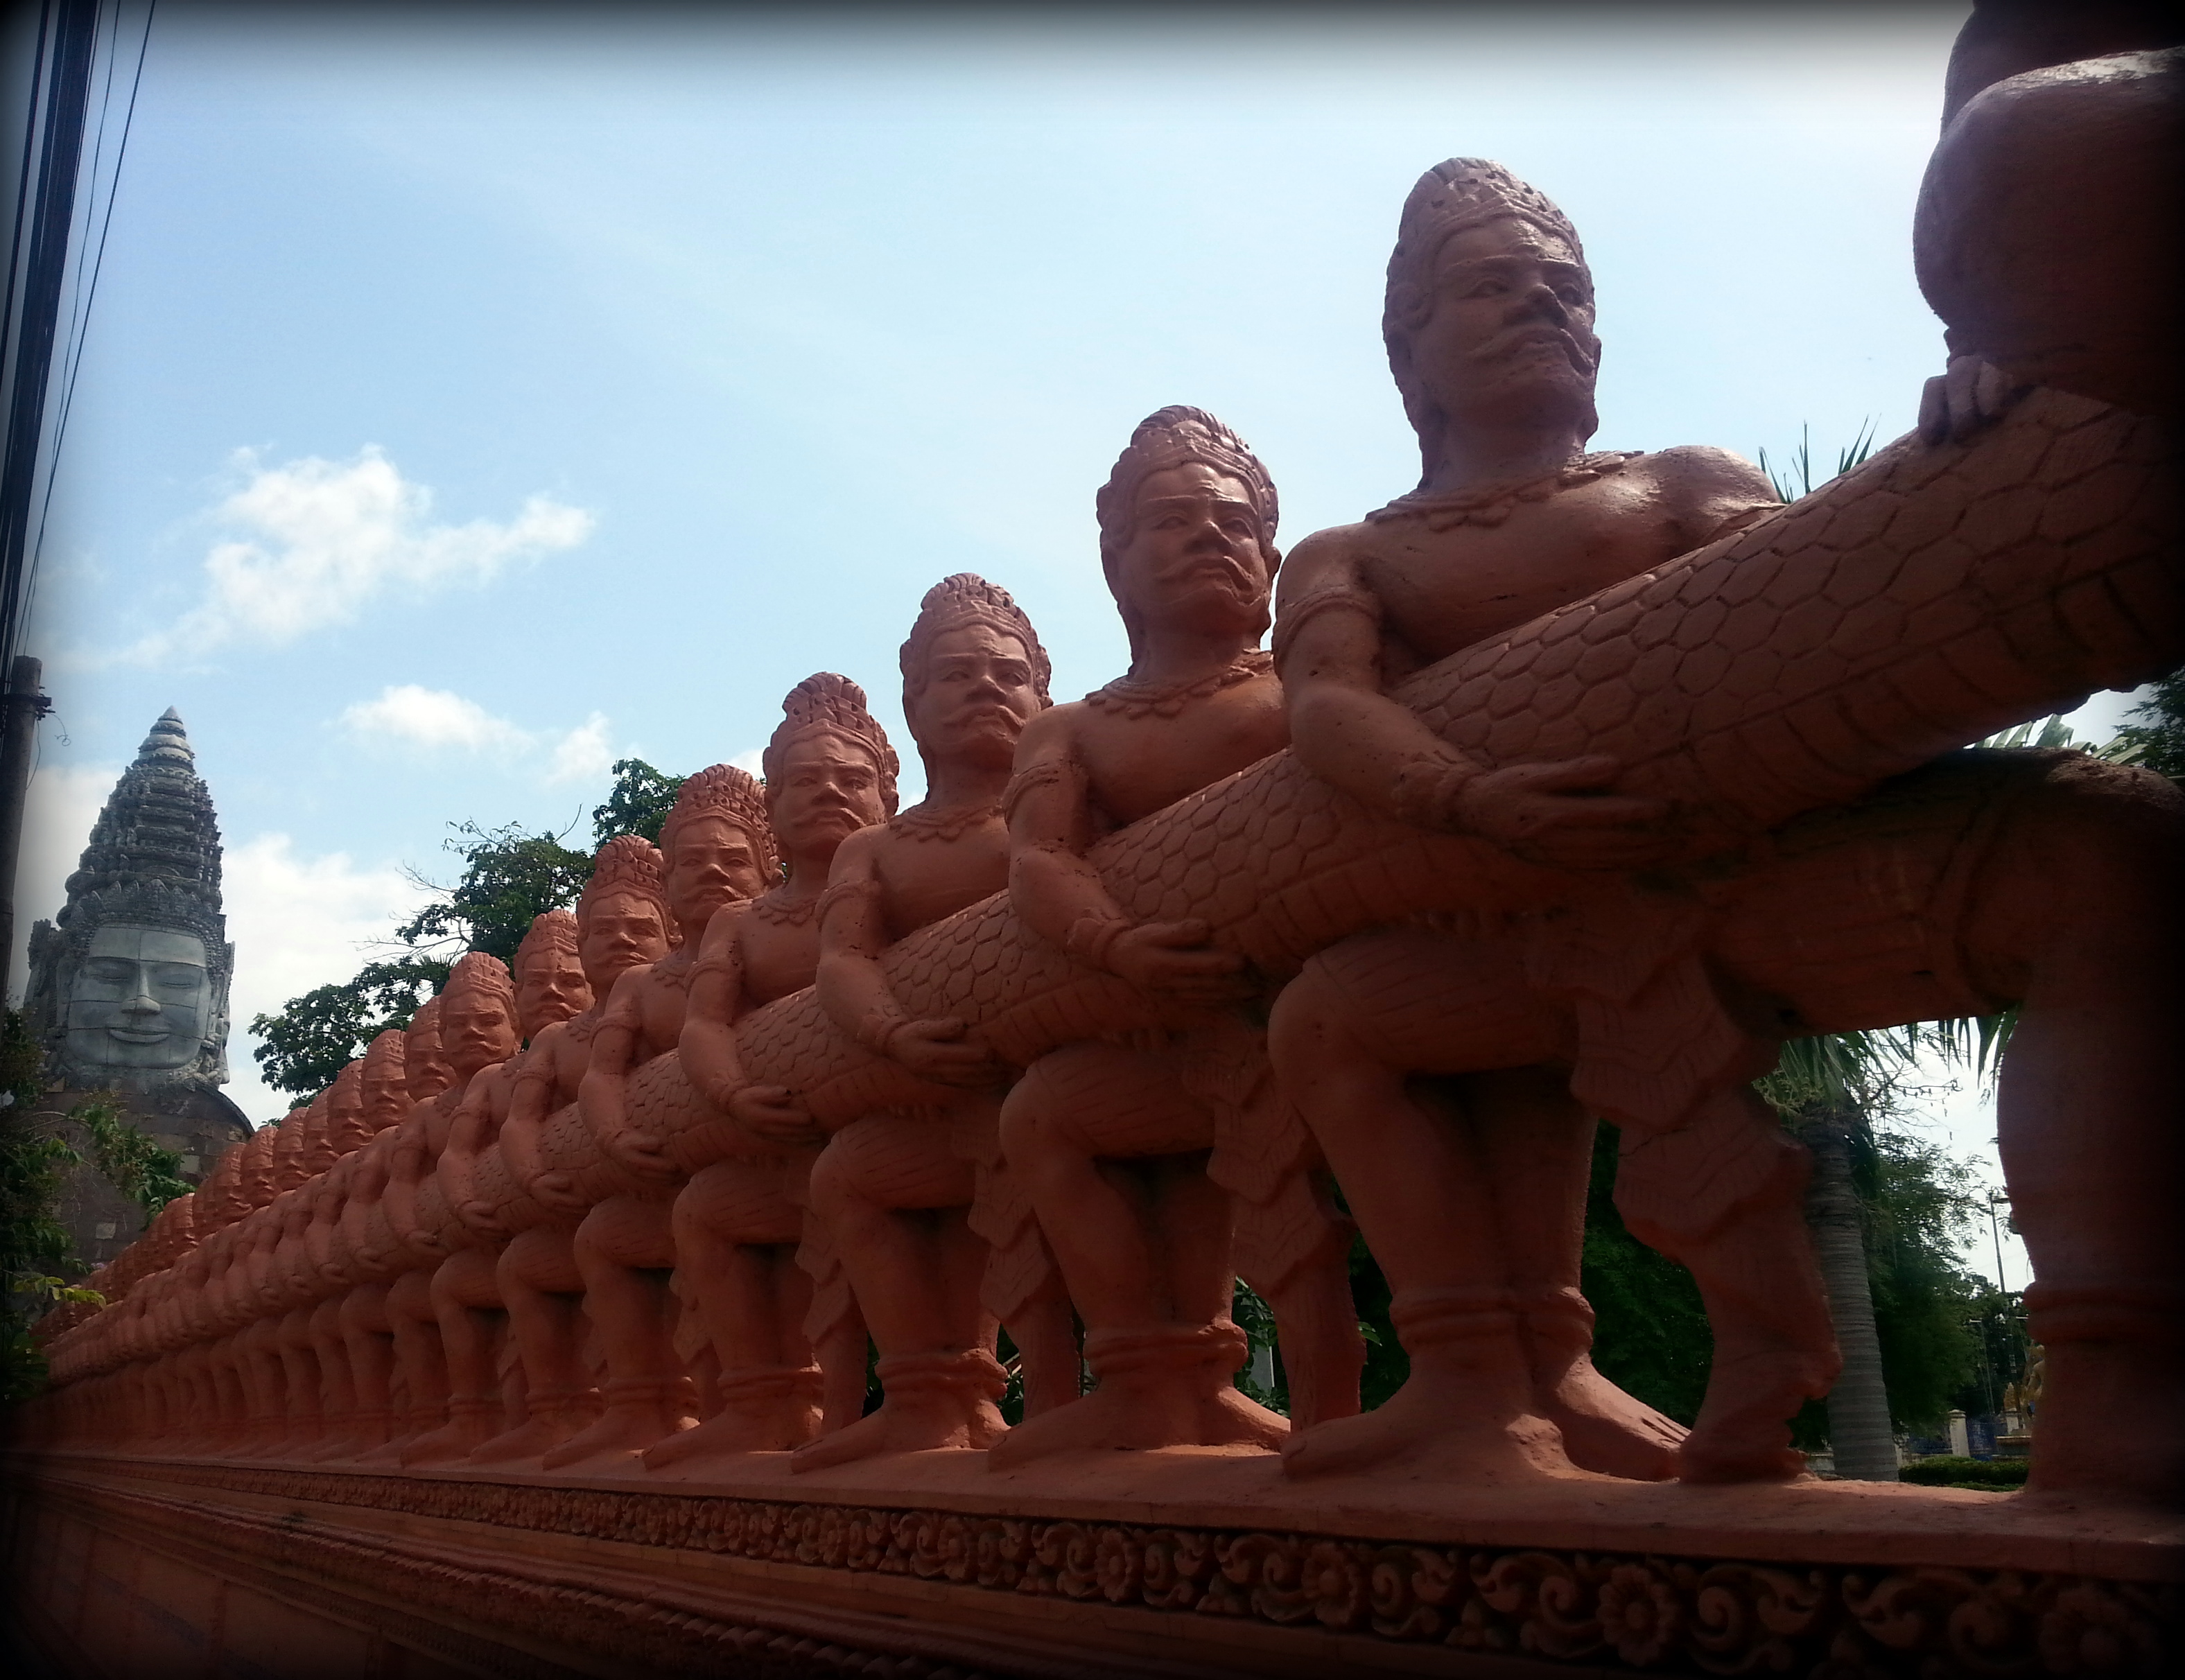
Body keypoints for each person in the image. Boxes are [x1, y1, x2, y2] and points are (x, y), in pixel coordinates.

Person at [1269, 157, 2183, 1493]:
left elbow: (1822, 607)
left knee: (2105, 847)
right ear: (1410, 347)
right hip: (1514, 918)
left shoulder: (1684, 481)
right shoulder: (1352, 556)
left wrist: (1972, 458)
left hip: (1748, 870)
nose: (1544, 305)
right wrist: (1466, 797)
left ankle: (2114, 1367)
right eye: (1493, 285)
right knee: (1325, 1015)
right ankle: (1480, 1375)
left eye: (1566, 288)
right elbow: (1325, 707)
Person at [992, 408, 1362, 1467]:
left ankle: (1349, 1411)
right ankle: (1154, 1377)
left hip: (1314, 1007)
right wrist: (1116, 945)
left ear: (1273, 559)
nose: (1210, 534)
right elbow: (1040, 860)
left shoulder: (1305, 680)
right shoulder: (1073, 731)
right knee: (1045, 1115)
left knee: (1327, 1095)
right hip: (1153, 1022)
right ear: (1117, 563)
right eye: (1172, 519)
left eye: (1237, 522)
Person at [785, 575, 1069, 1470]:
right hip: (921, 1093)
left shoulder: (1065, 790)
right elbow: (843, 961)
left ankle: (1104, 1392)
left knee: (1049, 1129)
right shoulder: (876, 852)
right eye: (955, 674)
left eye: (1008, 673)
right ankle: (929, 1394)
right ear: (914, 705)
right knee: (848, 1174)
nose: (985, 687)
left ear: (1043, 694)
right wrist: (893, 1034)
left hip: (1056, 1074)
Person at [652, 677, 896, 1468]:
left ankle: (926, 1393)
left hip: (902, 1114)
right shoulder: (742, 926)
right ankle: (766, 1400)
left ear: (887, 794)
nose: (828, 793)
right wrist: (731, 1091)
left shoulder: (905, 871)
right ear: (777, 811)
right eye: (804, 781)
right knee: (703, 1211)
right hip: (769, 1135)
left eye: (851, 778)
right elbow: (704, 1024)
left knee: (855, 1178)